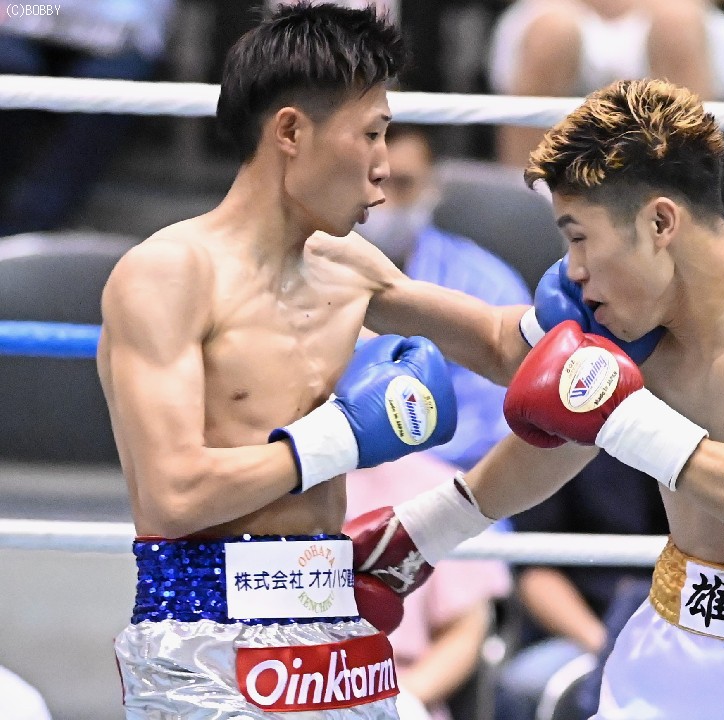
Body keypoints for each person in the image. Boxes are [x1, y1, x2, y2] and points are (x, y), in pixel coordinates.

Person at [316, 77, 724, 718]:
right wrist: (380, 296)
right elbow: (508, 352)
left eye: (579, 237)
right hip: (678, 642)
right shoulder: (633, 322)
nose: (572, 269)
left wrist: (615, 413)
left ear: (659, 222)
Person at [96, 4, 462, 717]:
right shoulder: (169, 272)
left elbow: (510, 346)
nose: (385, 166)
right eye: (372, 133)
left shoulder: (351, 265)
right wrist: (341, 437)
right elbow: (174, 496)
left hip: (338, 631)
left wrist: (621, 289)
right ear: (291, 132)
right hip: (205, 633)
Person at [360, 123, 532, 469]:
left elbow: (500, 419)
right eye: (371, 181)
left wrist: (400, 465)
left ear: (432, 187)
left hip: (451, 479)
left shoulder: (488, 285)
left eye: (401, 184)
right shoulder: (294, 276)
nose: (383, 201)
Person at [493, 450, 668, 720]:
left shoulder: (699, 441)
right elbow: (535, 573)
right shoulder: (558, 441)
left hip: (677, 629)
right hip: (580, 633)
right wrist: (604, 646)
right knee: (524, 686)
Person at [346, 453, 511, 720]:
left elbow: (465, 630)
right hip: (281, 684)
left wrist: (404, 700)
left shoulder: (434, 486)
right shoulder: (274, 485)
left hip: (394, 689)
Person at [487, 0, 724, 166]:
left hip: (668, 9)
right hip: (566, 8)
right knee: (551, 32)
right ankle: (527, 210)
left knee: (676, 24)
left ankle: (685, 205)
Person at [0, 0, 176, 236]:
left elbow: (137, 17)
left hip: (120, 35)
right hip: (23, 23)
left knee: (109, 88)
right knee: (9, 66)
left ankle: (26, 227)